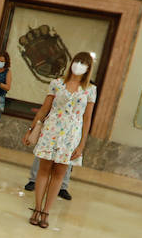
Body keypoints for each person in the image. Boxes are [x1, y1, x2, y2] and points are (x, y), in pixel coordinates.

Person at [24, 52, 97, 227]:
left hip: (71, 135)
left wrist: (82, 144)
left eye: (84, 63)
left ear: (88, 68)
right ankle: (37, 208)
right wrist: (31, 130)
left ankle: (46, 211)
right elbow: (44, 109)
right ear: (72, 63)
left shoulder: (90, 89)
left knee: (59, 174)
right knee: (43, 170)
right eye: (77, 61)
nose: (79, 65)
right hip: (51, 130)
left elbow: (87, 119)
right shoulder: (57, 83)